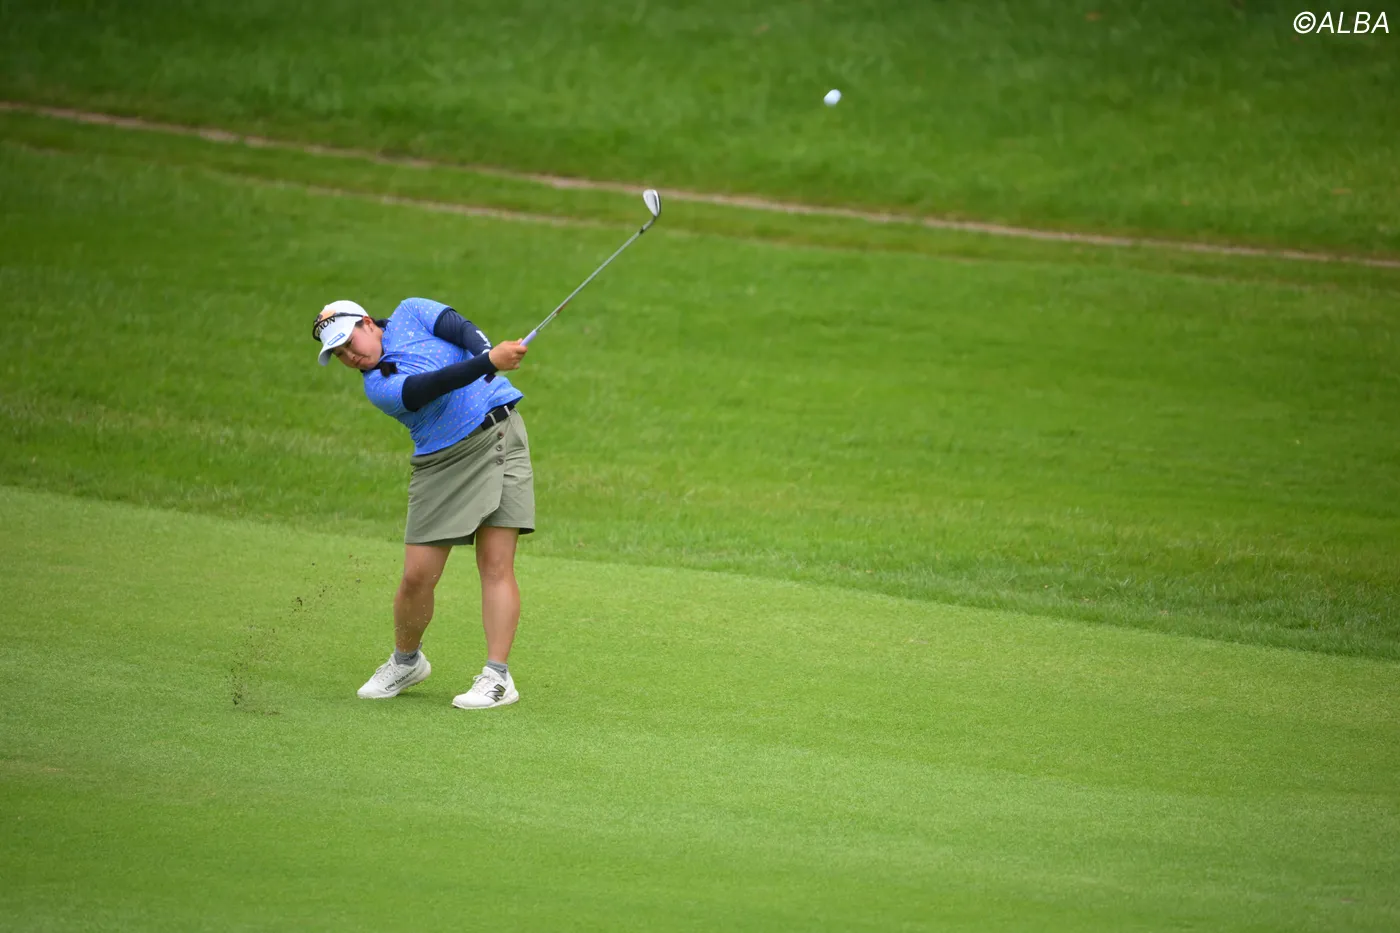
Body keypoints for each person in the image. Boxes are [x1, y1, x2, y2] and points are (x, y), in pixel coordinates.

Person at [313, 297, 532, 710]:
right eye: (339, 354)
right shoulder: (379, 388)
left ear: (366, 322)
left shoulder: (411, 312)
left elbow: (461, 328)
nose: (350, 357)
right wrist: (488, 362)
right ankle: (407, 661)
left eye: (348, 343)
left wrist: (487, 353)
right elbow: (429, 387)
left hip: (499, 437)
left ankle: (497, 677)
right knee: (417, 576)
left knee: (495, 564)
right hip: (439, 463)